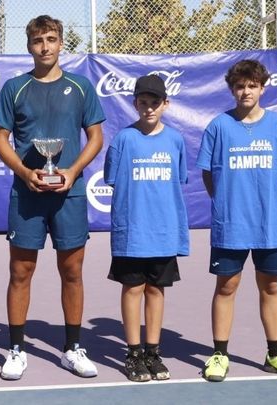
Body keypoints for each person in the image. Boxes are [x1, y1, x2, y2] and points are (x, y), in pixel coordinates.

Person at [0, 15, 105, 380]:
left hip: (68, 193)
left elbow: (96, 137)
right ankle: (16, 349)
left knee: (72, 271)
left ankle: (72, 347)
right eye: (38, 40)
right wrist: (25, 173)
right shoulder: (14, 88)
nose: (45, 46)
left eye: (52, 39)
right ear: (29, 46)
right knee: (20, 271)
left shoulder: (81, 86)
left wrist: (71, 172)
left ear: (60, 44)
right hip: (27, 195)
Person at [196, 59, 277, 382]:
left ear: (262, 87)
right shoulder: (218, 126)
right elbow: (207, 173)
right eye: (239, 86)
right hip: (231, 224)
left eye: (251, 85)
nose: (245, 91)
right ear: (232, 89)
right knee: (227, 286)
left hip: (270, 223)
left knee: (271, 286)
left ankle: (275, 354)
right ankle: (219, 354)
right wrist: (225, 202)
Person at [103, 75, 189, 382]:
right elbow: (112, 180)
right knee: (133, 288)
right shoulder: (124, 140)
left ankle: (153, 352)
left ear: (166, 104)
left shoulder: (176, 140)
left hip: (163, 231)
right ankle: (133, 353)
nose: (149, 108)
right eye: (143, 103)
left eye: (155, 102)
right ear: (134, 103)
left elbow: (177, 182)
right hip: (133, 233)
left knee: (156, 289)